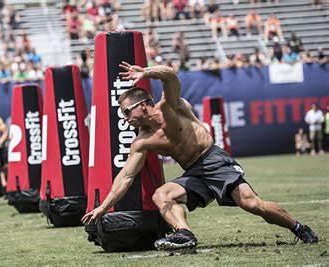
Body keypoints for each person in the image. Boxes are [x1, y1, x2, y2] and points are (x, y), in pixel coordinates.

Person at [82, 62, 319, 250]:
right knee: (161, 195)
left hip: (213, 159)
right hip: (193, 172)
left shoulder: (170, 106)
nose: (125, 118)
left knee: (252, 204)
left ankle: (298, 227)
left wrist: (145, 72)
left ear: (142, 105)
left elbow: (170, 76)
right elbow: (126, 176)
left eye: (126, 111)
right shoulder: (142, 140)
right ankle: (184, 234)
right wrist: (104, 206)